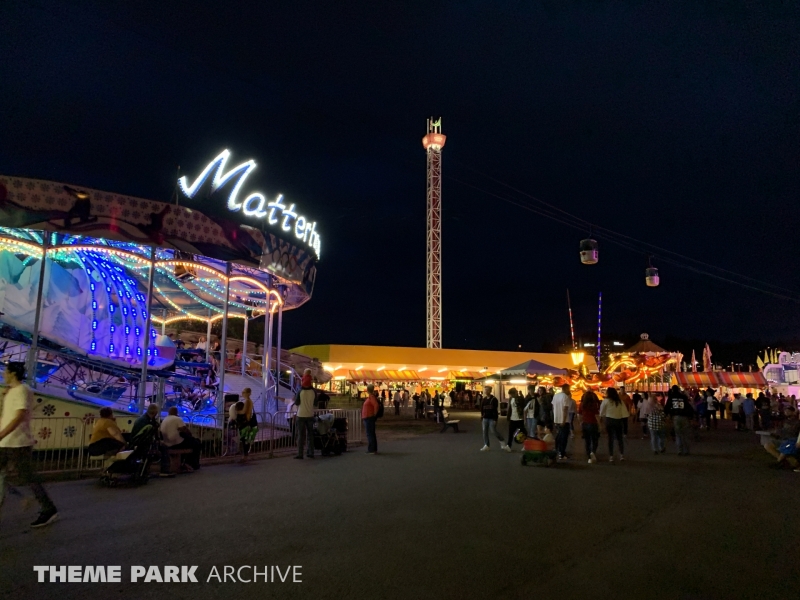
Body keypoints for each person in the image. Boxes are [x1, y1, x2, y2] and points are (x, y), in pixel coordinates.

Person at [0, 362, 59, 527]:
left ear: (12, 373)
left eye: (6, 371)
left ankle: (48, 509)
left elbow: (19, 415)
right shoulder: (12, 391)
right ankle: (32, 502)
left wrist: (2, 434)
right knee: (17, 477)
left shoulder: (22, 390)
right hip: (7, 442)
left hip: (18, 443)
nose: (4, 374)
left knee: (29, 478)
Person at [160, 407, 201, 471]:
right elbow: (185, 430)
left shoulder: (165, 419)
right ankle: (193, 464)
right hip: (175, 443)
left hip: (166, 443)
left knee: (189, 442)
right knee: (196, 443)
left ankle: (185, 462)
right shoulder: (177, 419)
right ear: (176, 413)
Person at [600, 387, 629, 462]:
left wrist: (602, 418)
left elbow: (602, 412)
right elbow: (625, 413)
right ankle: (621, 455)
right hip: (618, 421)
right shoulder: (619, 401)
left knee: (610, 439)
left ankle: (611, 456)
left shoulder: (606, 401)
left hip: (609, 420)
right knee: (620, 439)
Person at [664, 385, 695, 456]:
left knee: (678, 435)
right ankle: (687, 450)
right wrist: (692, 416)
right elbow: (688, 406)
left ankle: (679, 450)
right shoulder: (683, 397)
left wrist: (666, 415)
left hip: (676, 417)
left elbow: (667, 407)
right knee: (685, 434)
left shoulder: (671, 397)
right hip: (684, 417)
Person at [294, 372, 317, 459]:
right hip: (310, 415)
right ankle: (311, 452)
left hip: (300, 415)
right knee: (310, 434)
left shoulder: (300, 391)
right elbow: (315, 403)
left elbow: (296, 402)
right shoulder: (314, 391)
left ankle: (300, 454)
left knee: (300, 435)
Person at [479, 385, 506, 452]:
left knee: (493, 431)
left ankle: (502, 441)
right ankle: (486, 445)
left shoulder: (494, 399)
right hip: (485, 418)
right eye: (485, 390)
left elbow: (495, 410)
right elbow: (482, 409)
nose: (486, 391)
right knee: (484, 432)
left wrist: (495, 419)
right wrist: (482, 416)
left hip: (491, 418)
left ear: (490, 391)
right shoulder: (484, 400)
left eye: (487, 390)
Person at [579, 388, 600, 463]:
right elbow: (597, 415)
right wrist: (599, 425)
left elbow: (579, 415)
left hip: (585, 423)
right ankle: (593, 452)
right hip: (593, 423)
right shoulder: (594, 405)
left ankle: (588, 455)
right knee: (594, 440)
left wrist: (580, 422)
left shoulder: (582, 405)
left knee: (587, 440)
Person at [551, 384, 572, 460]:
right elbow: (565, 409)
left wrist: (555, 417)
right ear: (566, 389)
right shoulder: (565, 397)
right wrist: (563, 420)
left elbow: (553, 407)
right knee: (564, 437)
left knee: (558, 436)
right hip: (564, 421)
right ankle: (562, 453)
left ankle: (557, 450)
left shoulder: (556, 396)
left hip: (556, 419)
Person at [237, 388, 257, 461]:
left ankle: (244, 456)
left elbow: (244, 411)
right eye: (242, 392)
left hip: (246, 422)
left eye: (244, 392)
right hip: (248, 422)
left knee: (245, 439)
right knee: (245, 439)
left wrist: (236, 412)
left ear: (248, 393)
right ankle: (245, 455)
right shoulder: (248, 401)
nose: (242, 393)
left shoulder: (247, 401)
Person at [505, 388, 526, 452]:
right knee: (510, 433)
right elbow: (509, 408)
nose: (511, 396)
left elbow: (523, 405)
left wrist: (521, 395)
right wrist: (508, 417)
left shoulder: (520, 399)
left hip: (520, 418)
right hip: (512, 418)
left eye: (511, 394)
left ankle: (525, 446)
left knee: (523, 433)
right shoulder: (511, 399)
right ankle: (509, 446)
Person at [362, 384, 379, 454]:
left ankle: (371, 449)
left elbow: (376, 405)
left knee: (370, 434)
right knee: (371, 433)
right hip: (368, 417)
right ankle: (373, 449)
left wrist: (374, 414)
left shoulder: (371, 397)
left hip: (368, 417)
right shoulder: (371, 397)